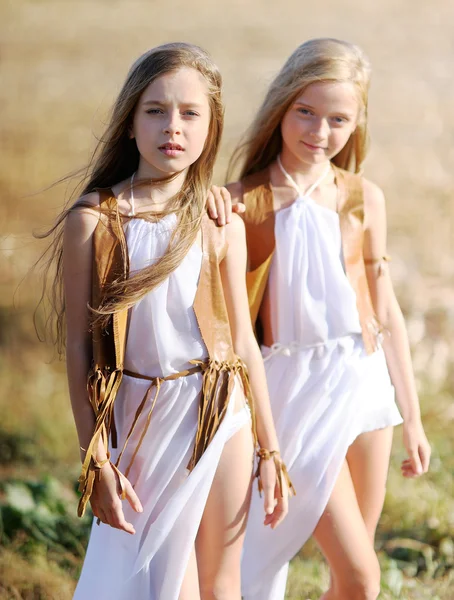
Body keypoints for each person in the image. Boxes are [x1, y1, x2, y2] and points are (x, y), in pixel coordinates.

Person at [40, 42, 292, 600]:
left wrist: (270, 451)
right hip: (141, 418)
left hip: (219, 411)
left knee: (221, 583)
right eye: (154, 110)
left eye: (189, 113)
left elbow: (243, 342)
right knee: (162, 586)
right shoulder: (94, 220)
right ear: (129, 123)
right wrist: (96, 459)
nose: (171, 126)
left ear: (210, 128)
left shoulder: (216, 218)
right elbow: (80, 351)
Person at [208, 38, 431, 600]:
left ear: (356, 125)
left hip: (363, 386)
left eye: (338, 119)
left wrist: (413, 418)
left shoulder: (362, 198)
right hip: (292, 392)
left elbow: (387, 312)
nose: (319, 131)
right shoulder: (241, 202)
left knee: (349, 580)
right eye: (306, 112)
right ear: (282, 106)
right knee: (363, 577)